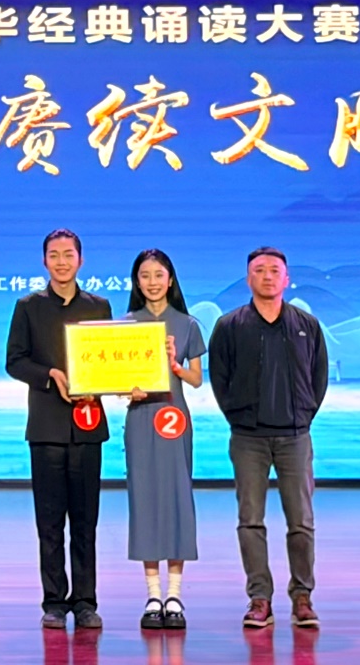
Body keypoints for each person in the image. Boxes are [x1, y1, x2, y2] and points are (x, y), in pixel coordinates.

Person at [208, 247, 327, 629]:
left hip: (295, 437)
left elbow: (318, 377)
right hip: (248, 439)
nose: (267, 276)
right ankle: (260, 598)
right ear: (248, 279)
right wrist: (238, 416)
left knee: (301, 521)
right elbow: (219, 378)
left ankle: (302, 597)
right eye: (259, 270)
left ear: (287, 279)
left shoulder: (306, 324)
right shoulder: (230, 326)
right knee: (250, 521)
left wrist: (302, 416)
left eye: (275, 270)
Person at [5, 229, 112, 630]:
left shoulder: (99, 306)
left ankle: (85, 601)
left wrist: (107, 381)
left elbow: (108, 359)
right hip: (46, 427)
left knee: (85, 522)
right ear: (44, 261)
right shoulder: (28, 307)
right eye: (54, 255)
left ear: (81, 260)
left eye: (69, 254)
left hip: (88, 426)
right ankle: (53, 601)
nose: (62, 261)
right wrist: (50, 375)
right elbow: (15, 361)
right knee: (49, 522)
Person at [124, 249, 205, 630]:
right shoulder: (126, 325)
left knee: (176, 498)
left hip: (173, 418)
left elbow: (196, 379)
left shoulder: (187, 324)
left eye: (159, 275)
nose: (152, 282)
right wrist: (127, 390)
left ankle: (174, 594)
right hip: (141, 418)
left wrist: (175, 367)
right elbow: (116, 381)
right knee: (144, 500)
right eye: (145, 275)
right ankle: (152, 593)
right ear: (136, 282)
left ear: (170, 280)